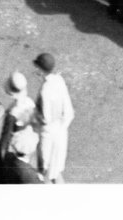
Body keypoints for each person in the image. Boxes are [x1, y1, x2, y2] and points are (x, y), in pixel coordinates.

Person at [32, 52, 72, 182]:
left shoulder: (45, 91)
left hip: (47, 135)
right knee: (56, 169)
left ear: (40, 69)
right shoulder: (59, 80)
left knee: (44, 170)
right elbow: (68, 110)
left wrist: (32, 116)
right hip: (61, 130)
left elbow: (45, 118)